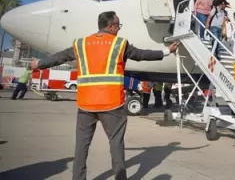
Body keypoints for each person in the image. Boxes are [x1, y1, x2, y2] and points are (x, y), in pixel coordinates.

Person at [30, 11, 180, 180]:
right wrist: (167, 51)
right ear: (110, 26)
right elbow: (141, 55)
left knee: (81, 146)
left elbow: (60, 57)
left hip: (86, 104)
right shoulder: (119, 44)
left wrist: (39, 64)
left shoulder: (81, 43)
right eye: (118, 25)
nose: (119, 29)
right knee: (116, 144)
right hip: (111, 104)